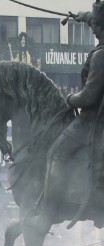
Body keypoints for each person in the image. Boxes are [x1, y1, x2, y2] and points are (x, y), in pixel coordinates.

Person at [42, 4, 104, 214]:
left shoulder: (101, 56)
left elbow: (88, 96)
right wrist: (85, 16)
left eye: (95, 25)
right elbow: (94, 19)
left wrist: (69, 99)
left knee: (56, 153)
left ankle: (51, 207)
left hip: (92, 121)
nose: (93, 30)